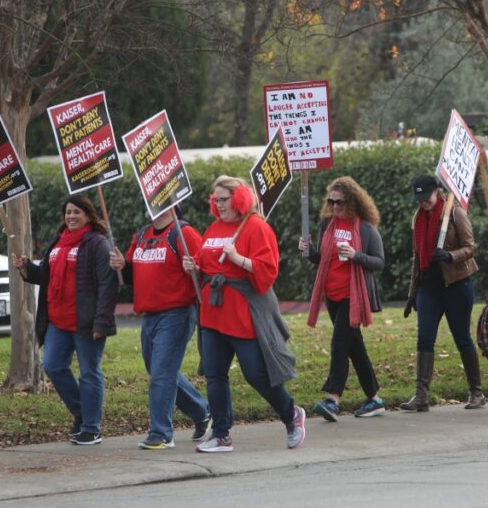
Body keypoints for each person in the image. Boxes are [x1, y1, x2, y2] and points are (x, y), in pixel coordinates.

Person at [183, 175, 305, 452]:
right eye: (215, 200)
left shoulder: (255, 227)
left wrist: (238, 258)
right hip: (213, 314)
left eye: (223, 199)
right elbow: (205, 262)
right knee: (214, 374)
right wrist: (193, 265)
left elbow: (268, 271)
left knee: (256, 375)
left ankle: (291, 415)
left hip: (243, 315)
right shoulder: (213, 228)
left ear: (238, 199)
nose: (219, 204)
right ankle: (221, 434)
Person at [12, 195, 118, 445]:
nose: (71, 216)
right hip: (57, 322)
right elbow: (45, 277)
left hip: (86, 323)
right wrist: (26, 267)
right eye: (68, 212)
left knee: (89, 374)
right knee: (53, 366)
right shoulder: (58, 242)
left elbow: (107, 285)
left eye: (77, 212)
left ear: (88, 215)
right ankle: (82, 413)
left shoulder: (97, 243)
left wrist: (101, 322)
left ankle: (91, 428)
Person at [109, 208, 210, 450]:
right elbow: (133, 271)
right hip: (150, 315)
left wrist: (194, 268)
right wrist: (123, 265)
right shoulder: (143, 234)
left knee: (162, 373)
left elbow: (205, 269)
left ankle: (161, 433)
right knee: (159, 370)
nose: (148, 203)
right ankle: (201, 410)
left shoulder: (184, 233)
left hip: (177, 314)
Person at [299, 176, 386, 421]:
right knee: (354, 349)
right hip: (332, 296)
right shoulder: (328, 224)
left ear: (353, 202)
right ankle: (375, 399)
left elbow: (379, 262)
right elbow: (321, 259)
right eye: (331, 201)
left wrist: (356, 254)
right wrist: (308, 251)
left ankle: (333, 399)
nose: (335, 207)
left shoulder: (366, 228)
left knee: (339, 344)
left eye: (340, 202)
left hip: (354, 296)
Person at [401, 174, 484, 412]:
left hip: (456, 284)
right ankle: (421, 396)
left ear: (437, 192)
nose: (423, 202)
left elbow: (471, 247)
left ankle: (476, 392)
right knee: (424, 339)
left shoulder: (455, 213)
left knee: (462, 338)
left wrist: (449, 256)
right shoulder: (418, 217)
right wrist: (412, 293)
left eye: (427, 197)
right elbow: (417, 257)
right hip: (429, 288)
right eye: (419, 198)